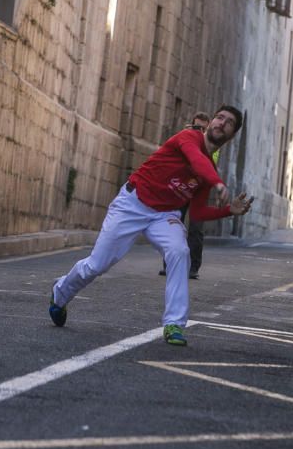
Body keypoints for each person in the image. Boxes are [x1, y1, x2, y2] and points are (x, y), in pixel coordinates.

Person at [49, 106, 252, 346]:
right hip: (132, 204)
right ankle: (60, 293)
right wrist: (217, 183)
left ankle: (174, 323)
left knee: (179, 251)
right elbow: (196, 161)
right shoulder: (188, 138)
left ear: (232, 134)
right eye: (219, 117)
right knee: (97, 265)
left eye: (228, 123)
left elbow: (197, 212)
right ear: (210, 123)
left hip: (164, 215)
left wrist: (229, 211)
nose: (221, 123)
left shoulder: (209, 171)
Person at [158, 111, 214, 279]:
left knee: (196, 230)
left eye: (203, 128)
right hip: (181, 187)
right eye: (197, 127)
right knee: (174, 226)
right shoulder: (183, 137)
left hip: (199, 190)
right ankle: (168, 265)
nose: (199, 131)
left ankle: (193, 268)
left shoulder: (211, 144)